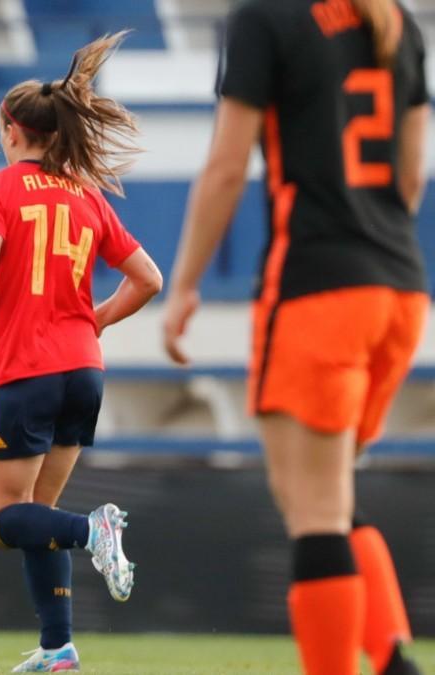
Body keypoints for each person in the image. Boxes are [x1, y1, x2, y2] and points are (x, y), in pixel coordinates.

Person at [161, 0, 428, 672]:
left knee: (313, 510)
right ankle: (393, 660)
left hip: (318, 285)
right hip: (398, 288)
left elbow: (225, 167)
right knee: (329, 492)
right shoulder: (394, 17)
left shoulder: (266, 17)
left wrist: (185, 283)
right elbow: (409, 175)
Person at [0, 32, 162, 673]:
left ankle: (92, 532)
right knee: (35, 512)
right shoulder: (85, 194)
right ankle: (58, 650)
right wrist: (92, 322)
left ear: (12, 130)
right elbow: (148, 279)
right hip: (82, 369)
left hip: (23, 366)